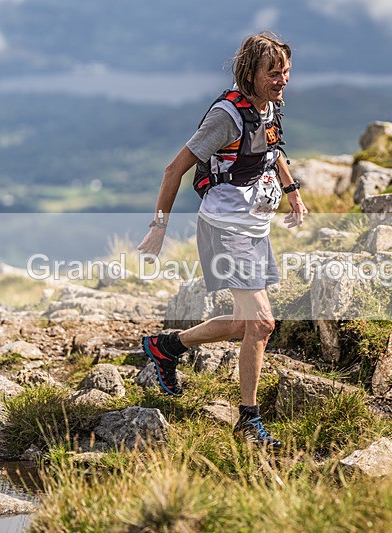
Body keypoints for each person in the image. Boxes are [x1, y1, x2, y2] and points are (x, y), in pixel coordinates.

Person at [137, 32, 307, 449]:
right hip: (225, 231)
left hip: (254, 231)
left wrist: (292, 192)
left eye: (286, 70)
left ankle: (166, 347)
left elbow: (272, 148)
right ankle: (248, 419)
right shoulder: (226, 116)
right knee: (263, 323)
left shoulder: (268, 106)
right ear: (250, 72)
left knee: (244, 323)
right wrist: (159, 228)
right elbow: (173, 170)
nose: (282, 78)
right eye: (273, 72)